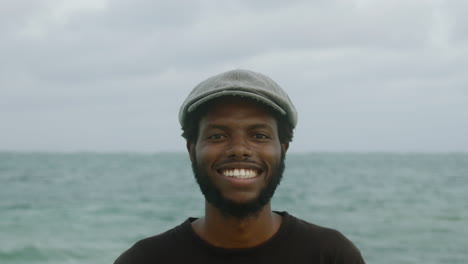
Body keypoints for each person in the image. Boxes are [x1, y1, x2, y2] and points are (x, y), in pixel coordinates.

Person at [114, 69, 365, 263]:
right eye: (217, 136)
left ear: (283, 149)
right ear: (192, 150)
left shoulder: (330, 255)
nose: (239, 149)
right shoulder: (145, 259)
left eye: (259, 135)